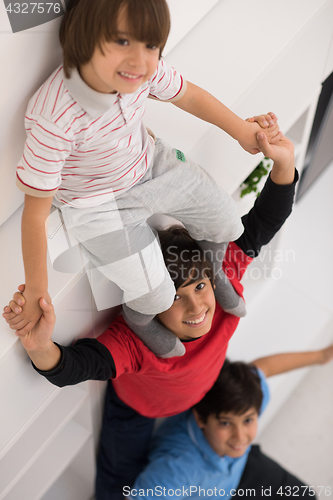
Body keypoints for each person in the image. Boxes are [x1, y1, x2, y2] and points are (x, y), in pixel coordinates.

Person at [4, 132, 295, 500]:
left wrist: (284, 161)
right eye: (175, 297)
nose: (196, 307)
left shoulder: (223, 285)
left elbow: (265, 221)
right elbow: (76, 367)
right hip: (136, 409)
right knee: (116, 481)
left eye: (200, 287)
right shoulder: (135, 341)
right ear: (152, 301)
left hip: (194, 394)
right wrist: (39, 345)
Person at [13, 0, 281, 359]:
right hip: (99, 207)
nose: (140, 61)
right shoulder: (55, 116)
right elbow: (34, 213)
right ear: (84, 36)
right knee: (155, 295)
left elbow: (188, 94)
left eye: (151, 46)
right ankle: (140, 319)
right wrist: (35, 291)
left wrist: (241, 130)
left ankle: (213, 273)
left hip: (151, 164)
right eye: (122, 42)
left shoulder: (142, 71)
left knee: (227, 222)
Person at [129, 343, 333, 499]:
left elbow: (265, 368)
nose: (240, 436)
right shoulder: (177, 468)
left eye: (248, 421)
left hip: (241, 469)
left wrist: (322, 355)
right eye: (225, 423)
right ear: (200, 418)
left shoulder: (245, 400)